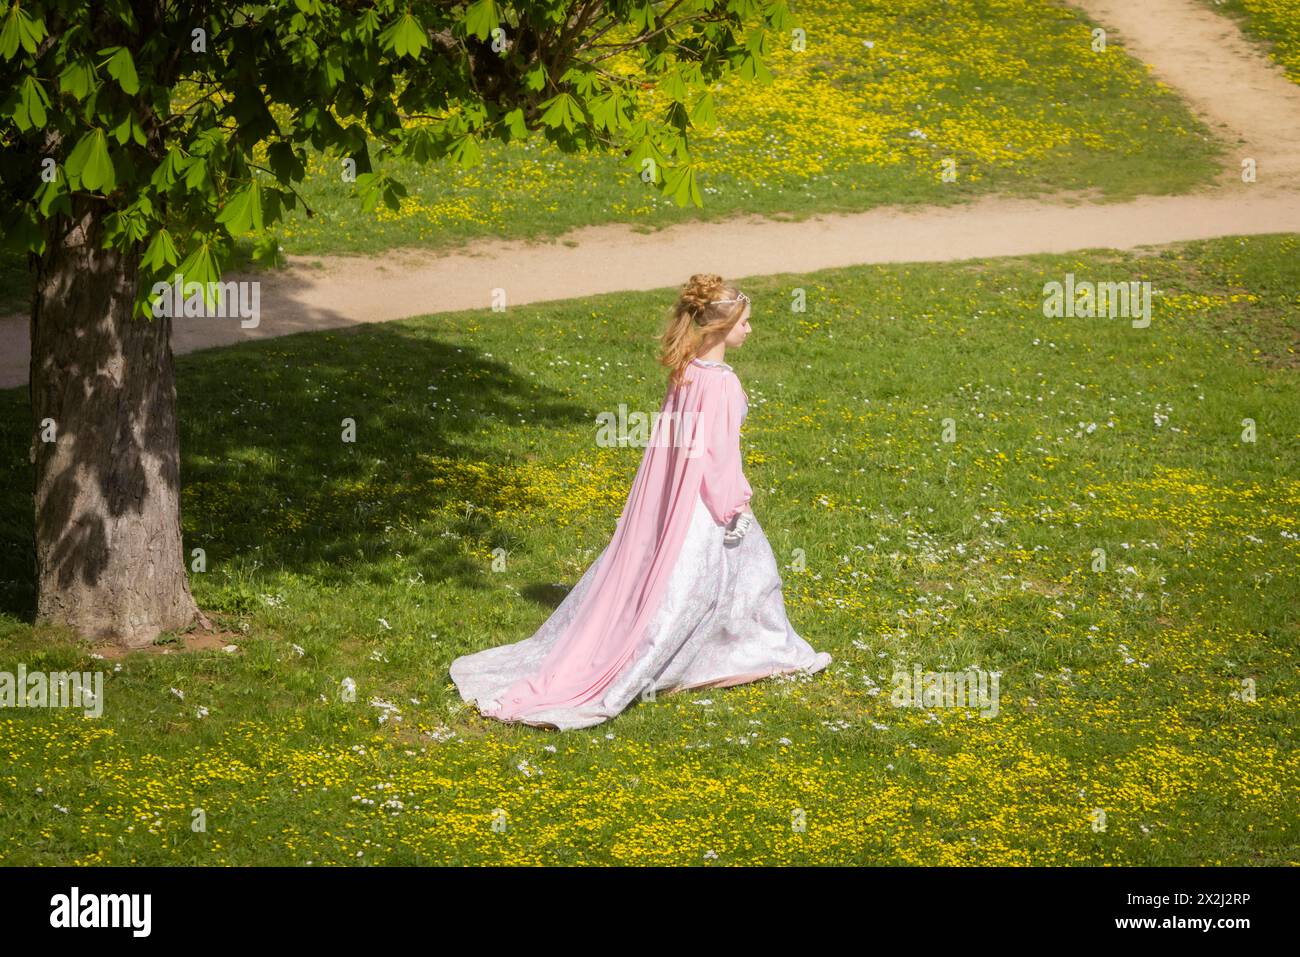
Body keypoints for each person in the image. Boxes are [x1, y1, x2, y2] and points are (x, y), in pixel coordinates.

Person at [448, 273, 832, 729]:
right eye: (745, 322)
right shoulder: (722, 381)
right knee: (733, 578)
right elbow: (718, 454)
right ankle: (741, 651)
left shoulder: (686, 369)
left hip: (674, 495)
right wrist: (734, 505)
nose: (751, 329)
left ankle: (730, 648)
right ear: (720, 327)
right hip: (707, 502)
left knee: (719, 578)